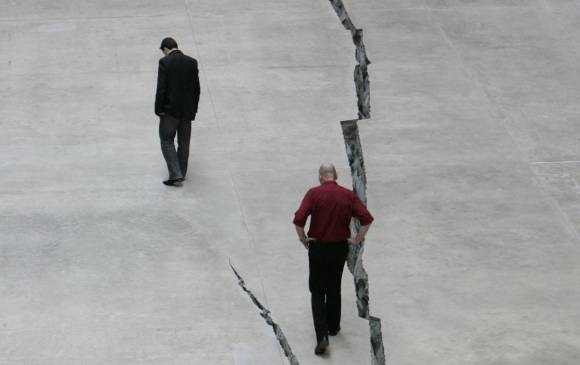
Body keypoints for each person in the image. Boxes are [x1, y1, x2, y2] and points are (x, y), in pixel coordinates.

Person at [293, 164, 373, 355]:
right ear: (335, 176)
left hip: (318, 247)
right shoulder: (347, 195)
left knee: (318, 290)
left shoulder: (313, 194)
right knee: (334, 285)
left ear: (320, 177)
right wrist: (356, 239)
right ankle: (334, 326)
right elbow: (367, 219)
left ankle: (322, 336)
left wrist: (303, 238)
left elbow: (299, 219)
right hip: (339, 248)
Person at [155, 37, 201, 187]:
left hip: (170, 111)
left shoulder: (165, 62)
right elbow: (197, 90)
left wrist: (158, 109)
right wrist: (193, 109)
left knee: (166, 140)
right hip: (187, 112)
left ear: (165, 49)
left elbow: (161, 88)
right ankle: (182, 172)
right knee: (184, 143)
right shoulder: (192, 62)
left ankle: (176, 174)